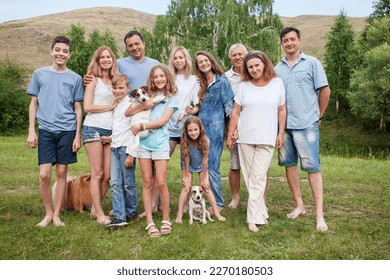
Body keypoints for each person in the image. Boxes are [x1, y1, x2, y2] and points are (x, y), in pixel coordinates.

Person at [274, 27, 330, 232]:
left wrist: (319, 116)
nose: (289, 43)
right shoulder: (276, 69)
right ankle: (299, 205)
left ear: (299, 40)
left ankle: (319, 215)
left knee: (313, 169)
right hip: (284, 127)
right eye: (285, 40)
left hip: (306, 124)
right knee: (289, 166)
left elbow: (325, 91)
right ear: (281, 43)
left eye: (292, 39)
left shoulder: (312, 63)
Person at [26, 35, 84, 227]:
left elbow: (77, 108)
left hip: (67, 131)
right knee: (44, 174)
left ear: (69, 54)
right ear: (51, 51)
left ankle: (57, 214)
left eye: (65, 51)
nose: (61, 54)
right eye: (57, 50)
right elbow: (33, 103)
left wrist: (77, 135)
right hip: (46, 131)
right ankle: (48, 213)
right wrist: (31, 131)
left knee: (61, 172)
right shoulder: (39, 74)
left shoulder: (75, 78)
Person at [226, 51, 286, 232]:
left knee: (258, 177)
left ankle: (252, 218)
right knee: (251, 177)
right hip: (245, 137)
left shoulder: (277, 83)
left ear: (264, 64)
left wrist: (280, 133)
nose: (253, 69)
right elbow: (236, 111)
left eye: (256, 65)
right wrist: (230, 134)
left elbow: (282, 110)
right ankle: (260, 213)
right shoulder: (244, 86)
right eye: (250, 67)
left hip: (267, 137)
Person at [126, 64, 178, 238]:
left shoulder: (171, 98)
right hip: (143, 145)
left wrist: (140, 126)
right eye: (156, 76)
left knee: (161, 182)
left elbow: (163, 121)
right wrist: (142, 106)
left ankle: (165, 219)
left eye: (162, 76)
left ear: (167, 77)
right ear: (152, 79)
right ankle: (149, 221)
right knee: (147, 181)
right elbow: (128, 112)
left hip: (160, 143)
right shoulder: (147, 95)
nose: (159, 79)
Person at [225, 44, 272, 210]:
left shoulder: (254, 74)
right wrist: (232, 130)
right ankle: (235, 197)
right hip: (235, 127)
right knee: (235, 164)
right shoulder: (226, 77)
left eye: (240, 54)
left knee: (261, 166)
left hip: (258, 127)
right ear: (230, 58)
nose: (237, 57)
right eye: (234, 55)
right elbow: (229, 106)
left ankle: (261, 200)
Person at [82, 46, 119, 225]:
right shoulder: (92, 80)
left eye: (108, 57)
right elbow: (87, 107)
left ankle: (94, 208)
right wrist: (110, 107)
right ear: (97, 60)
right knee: (96, 174)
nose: (105, 59)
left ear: (113, 60)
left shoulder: (115, 80)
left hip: (110, 131)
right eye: (102, 57)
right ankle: (99, 214)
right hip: (93, 128)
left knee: (107, 175)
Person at [194, 51, 234, 212]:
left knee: (212, 164)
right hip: (199, 130)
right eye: (200, 62)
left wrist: (232, 129)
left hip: (215, 129)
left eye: (205, 60)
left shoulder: (222, 81)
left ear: (211, 61)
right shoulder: (201, 83)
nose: (203, 63)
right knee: (202, 165)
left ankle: (218, 203)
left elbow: (229, 105)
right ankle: (206, 199)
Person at [175, 116, 226, 223]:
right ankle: (179, 214)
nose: (193, 133)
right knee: (186, 187)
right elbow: (187, 159)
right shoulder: (185, 141)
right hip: (188, 165)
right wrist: (186, 176)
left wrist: (204, 179)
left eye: (195, 129)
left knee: (206, 187)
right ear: (186, 131)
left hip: (202, 165)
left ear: (200, 129)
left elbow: (205, 161)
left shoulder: (205, 140)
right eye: (190, 130)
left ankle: (216, 213)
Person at [106, 74, 138, 228]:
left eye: (121, 88)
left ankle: (130, 211)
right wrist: (110, 138)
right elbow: (118, 127)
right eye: (115, 88)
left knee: (128, 183)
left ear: (128, 88)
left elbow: (134, 131)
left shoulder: (132, 104)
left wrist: (131, 154)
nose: (117, 91)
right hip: (114, 147)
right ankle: (119, 215)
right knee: (115, 182)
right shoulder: (116, 105)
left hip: (126, 149)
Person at [167, 46, 200, 157]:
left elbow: (197, 105)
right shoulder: (168, 78)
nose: (178, 60)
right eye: (175, 58)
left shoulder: (194, 80)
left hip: (185, 127)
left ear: (186, 59)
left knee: (186, 163)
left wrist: (189, 112)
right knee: (162, 160)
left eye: (181, 57)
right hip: (168, 126)